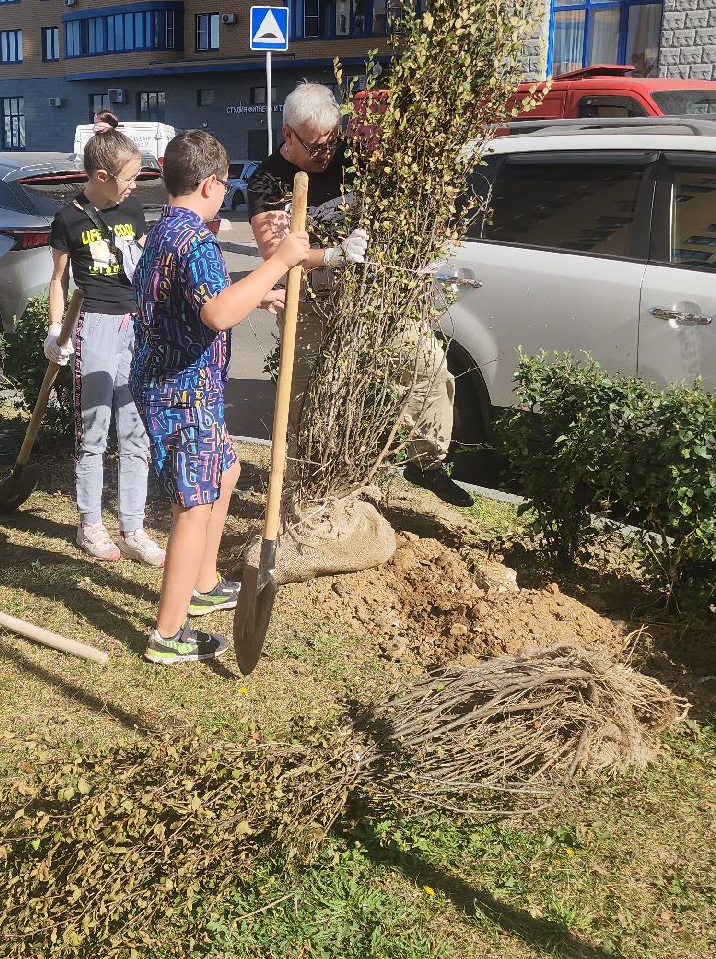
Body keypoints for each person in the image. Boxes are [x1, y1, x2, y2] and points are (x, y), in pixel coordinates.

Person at [132, 130, 309, 665]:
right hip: (183, 392)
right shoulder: (198, 241)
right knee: (194, 505)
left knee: (226, 472)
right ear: (210, 183)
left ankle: (204, 582)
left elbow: (191, 302)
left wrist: (259, 295)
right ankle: (168, 633)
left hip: (174, 384)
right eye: (225, 185)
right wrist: (279, 263)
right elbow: (214, 313)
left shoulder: (167, 229)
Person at [250, 82, 471, 508]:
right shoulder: (266, 180)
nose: (326, 154)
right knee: (304, 396)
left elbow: (399, 198)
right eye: (315, 146)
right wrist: (329, 255)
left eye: (331, 142)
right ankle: (300, 486)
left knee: (429, 367)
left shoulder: (352, 158)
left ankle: (426, 464)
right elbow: (275, 253)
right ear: (289, 134)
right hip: (310, 300)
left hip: (370, 297)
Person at [43, 126, 163, 565]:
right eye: (129, 177)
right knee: (93, 430)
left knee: (135, 432)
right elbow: (57, 280)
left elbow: (146, 263)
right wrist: (57, 330)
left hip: (134, 327)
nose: (135, 185)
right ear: (100, 174)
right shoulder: (68, 218)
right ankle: (89, 524)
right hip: (92, 325)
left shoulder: (132, 207)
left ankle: (133, 528)